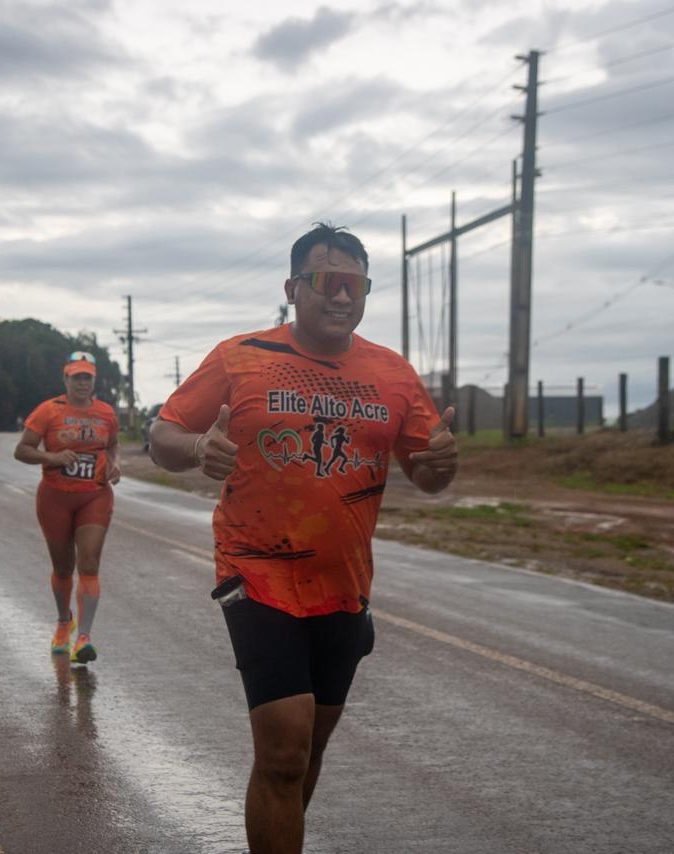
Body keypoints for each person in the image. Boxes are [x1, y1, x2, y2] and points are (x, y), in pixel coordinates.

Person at [149, 223, 457, 853]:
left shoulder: (393, 373)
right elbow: (162, 436)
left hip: (343, 584)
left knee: (307, 750)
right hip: (256, 569)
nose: (340, 295)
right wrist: (198, 447)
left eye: (354, 284)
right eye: (325, 281)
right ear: (292, 289)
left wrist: (441, 466)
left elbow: (427, 474)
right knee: (285, 748)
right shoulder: (240, 356)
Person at [14, 351, 120, 663]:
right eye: (77, 377)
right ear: (66, 379)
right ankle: (64, 621)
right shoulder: (48, 411)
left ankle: (83, 638)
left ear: (93, 380)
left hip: (94, 495)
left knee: (89, 562)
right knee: (63, 567)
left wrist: (115, 464)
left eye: (87, 377)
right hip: (55, 497)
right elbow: (22, 450)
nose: (82, 383)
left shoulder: (106, 413)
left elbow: (113, 445)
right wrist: (52, 457)